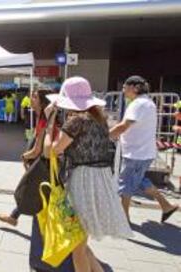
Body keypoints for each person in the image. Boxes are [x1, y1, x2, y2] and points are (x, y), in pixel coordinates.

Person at [44, 76, 133, 272]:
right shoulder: (100, 120)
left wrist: (49, 121)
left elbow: (50, 151)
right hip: (99, 181)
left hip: (82, 181)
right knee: (81, 243)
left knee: (78, 248)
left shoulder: (76, 121)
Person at [110, 75, 179, 223]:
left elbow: (124, 126)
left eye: (125, 87)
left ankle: (123, 218)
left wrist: (105, 136)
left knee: (125, 184)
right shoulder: (147, 103)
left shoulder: (138, 104)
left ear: (135, 87)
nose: (122, 90)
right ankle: (166, 206)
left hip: (136, 153)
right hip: (142, 152)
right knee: (140, 181)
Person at [0, 89, 54, 227]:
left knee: (27, 191)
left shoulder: (43, 120)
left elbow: (37, 150)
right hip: (41, 164)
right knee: (32, 192)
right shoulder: (41, 117)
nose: (30, 99)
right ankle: (15, 216)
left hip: (41, 165)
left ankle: (16, 217)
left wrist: (24, 156)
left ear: (42, 101)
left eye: (34, 97)